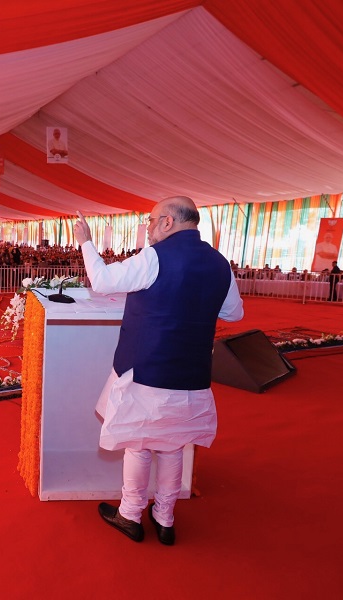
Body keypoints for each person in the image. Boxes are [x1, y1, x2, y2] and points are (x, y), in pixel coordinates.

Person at [72, 196, 244, 545]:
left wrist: (86, 241)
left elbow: (102, 281)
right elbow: (234, 313)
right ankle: (165, 518)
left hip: (148, 369)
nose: (147, 228)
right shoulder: (218, 263)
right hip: (192, 374)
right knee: (174, 446)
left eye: (151, 221)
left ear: (168, 222)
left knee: (138, 445)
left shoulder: (155, 256)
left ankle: (130, 515)